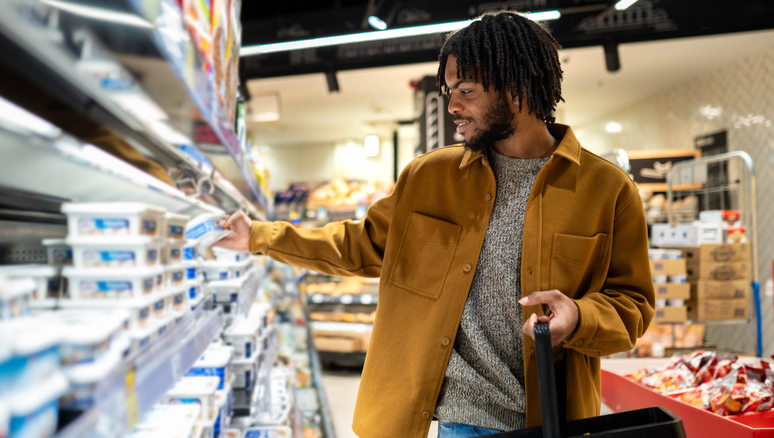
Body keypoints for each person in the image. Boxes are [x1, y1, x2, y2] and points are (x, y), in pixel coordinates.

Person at [216, 10, 654, 438]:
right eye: (449, 92)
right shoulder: (429, 177)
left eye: (465, 90)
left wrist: (579, 315)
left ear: (517, 88)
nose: (453, 107)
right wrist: (258, 235)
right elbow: (361, 244)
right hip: (456, 420)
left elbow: (633, 305)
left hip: (553, 418)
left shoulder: (607, 189)